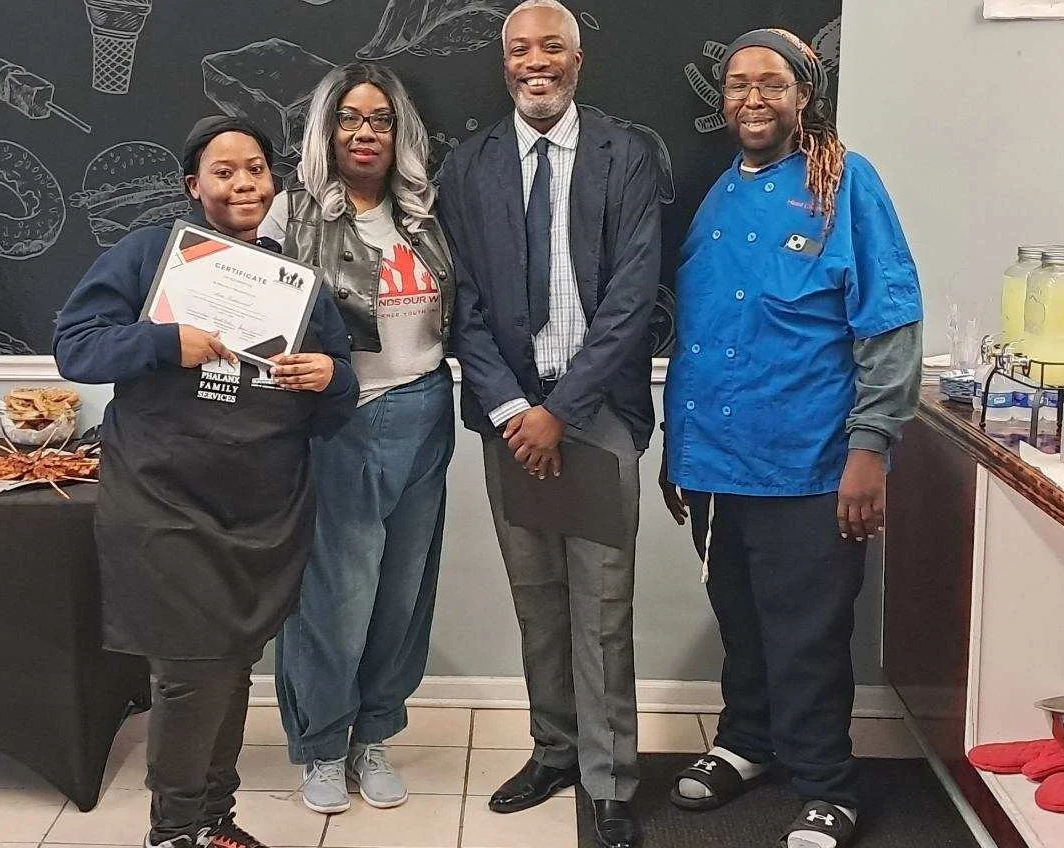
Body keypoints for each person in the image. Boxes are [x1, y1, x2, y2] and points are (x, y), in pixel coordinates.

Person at [53, 115, 358, 848]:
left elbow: (337, 393)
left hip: (261, 506)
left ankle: (214, 821)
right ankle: (176, 831)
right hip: (165, 500)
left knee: (231, 665)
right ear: (193, 184)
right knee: (193, 672)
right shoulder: (147, 254)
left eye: (254, 168)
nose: (242, 183)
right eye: (223, 171)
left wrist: (328, 377)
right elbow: (76, 347)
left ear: (272, 180)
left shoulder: (293, 280)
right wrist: (166, 342)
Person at [659, 29, 923, 848]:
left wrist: (869, 450)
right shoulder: (720, 195)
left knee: (806, 631)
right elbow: (704, 332)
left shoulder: (844, 185)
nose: (751, 99)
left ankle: (826, 783)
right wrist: (679, 452)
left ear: (804, 94)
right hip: (716, 462)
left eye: (770, 84)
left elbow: (888, 323)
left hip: (810, 460)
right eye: (737, 84)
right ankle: (746, 741)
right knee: (738, 615)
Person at [437, 2, 660, 846]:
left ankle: (608, 782)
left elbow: (634, 299)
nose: (536, 61)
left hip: (592, 414)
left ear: (577, 61)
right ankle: (554, 750)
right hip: (509, 420)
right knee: (536, 599)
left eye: (552, 47)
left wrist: (559, 415)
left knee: (601, 605)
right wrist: (511, 412)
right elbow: (462, 306)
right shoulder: (471, 164)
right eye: (520, 49)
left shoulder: (625, 154)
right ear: (503, 64)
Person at [258, 62, 456, 814]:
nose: (365, 132)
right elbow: (261, 326)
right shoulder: (292, 211)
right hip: (342, 423)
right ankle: (320, 745)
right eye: (350, 117)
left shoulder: (424, 211)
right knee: (334, 601)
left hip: (425, 411)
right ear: (327, 128)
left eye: (380, 119)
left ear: (399, 130)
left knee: (401, 597)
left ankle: (374, 735)